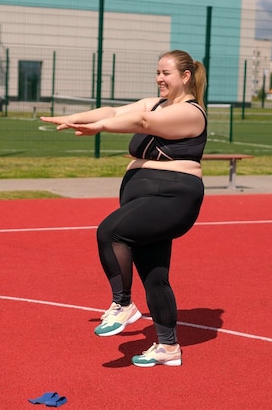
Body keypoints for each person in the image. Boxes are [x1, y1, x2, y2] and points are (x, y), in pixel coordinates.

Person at [40, 50, 207, 367]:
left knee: (110, 232)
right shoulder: (155, 103)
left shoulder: (191, 112)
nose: (159, 78)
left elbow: (143, 122)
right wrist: (74, 118)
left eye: (166, 73)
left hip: (172, 197)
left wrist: (100, 127)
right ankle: (168, 347)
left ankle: (123, 304)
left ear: (185, 76)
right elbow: (116, 109)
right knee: (154, 275)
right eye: (157, 72)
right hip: (145, 197)